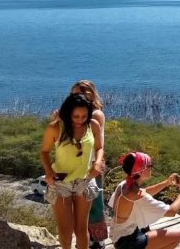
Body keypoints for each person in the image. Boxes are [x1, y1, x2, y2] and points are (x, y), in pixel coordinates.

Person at [40, 93, 105, 249]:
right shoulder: (55, 127)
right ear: (67, 112)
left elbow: (99, 147)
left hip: (85, 181)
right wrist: (49, 172)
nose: (80, 120)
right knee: (65, 231)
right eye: (75, 116)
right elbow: (44, 152)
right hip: (61, 183)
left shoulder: (93, 125)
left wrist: (97, 162)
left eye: (84, 116)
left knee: (81, 230)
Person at [108, 152, 180, 249]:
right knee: (178, 236)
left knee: (146, 226)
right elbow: (171, 211)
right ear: (140, 171)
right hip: (128, 243)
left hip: (119, 237)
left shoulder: (124, 185)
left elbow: (146, 191)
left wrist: (166, 183)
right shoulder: (135, 195)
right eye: (149, 165)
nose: (151, 167)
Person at [69, 80, 108, 249]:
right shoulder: (77, 113)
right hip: (76, 165)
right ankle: (85, 238)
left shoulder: (95, 115)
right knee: (80, 204)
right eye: (74, 94)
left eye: (81, 94)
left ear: (90, 94)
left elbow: (95, 144)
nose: (78, 97)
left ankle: (98, 240)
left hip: (92, 164)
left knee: (94, 203)